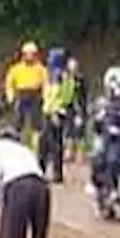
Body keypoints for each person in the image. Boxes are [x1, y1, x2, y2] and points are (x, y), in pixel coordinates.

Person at [39, 47, 76, 183]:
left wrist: (55, 111)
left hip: (54, 112)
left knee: (49, 144)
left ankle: (48, 172)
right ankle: (54, 173)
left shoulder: (59, 76)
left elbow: (57, 96)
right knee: (52, 143)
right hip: (53, 111)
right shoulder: (62, 75)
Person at [4, 42, 47, 151]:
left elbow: (46, 83)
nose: (30, 56)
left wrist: (46, 96)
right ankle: (19, 147)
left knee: (36, 125)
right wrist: (10, 95)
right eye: (27, 54)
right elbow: (9, 82)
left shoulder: (40, 68)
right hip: (21, 94)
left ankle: (35, 148)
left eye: (33, 54)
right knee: (18, 122)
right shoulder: (16, 68)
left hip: (35, 95)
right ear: (23, 54)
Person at [64, 56, 89, 164]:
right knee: (69, 130)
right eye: (71, 67)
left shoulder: (81, 79)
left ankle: (81, 154)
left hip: (80, 107)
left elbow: (84, 95)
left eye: (75, 67)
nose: (73, 69)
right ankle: (69, 152)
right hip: (69, 107)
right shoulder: (65, 79)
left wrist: (84, 107)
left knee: (80, 131)